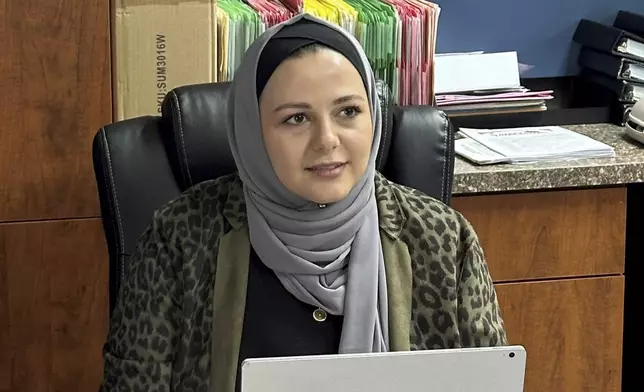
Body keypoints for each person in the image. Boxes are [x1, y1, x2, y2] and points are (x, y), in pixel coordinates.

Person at [99, 13, 507, 392]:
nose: (327, 139)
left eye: (348, 111)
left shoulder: (444, 239)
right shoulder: (179, 237)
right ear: (252, 130)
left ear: (374, 117)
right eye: (296, 118)